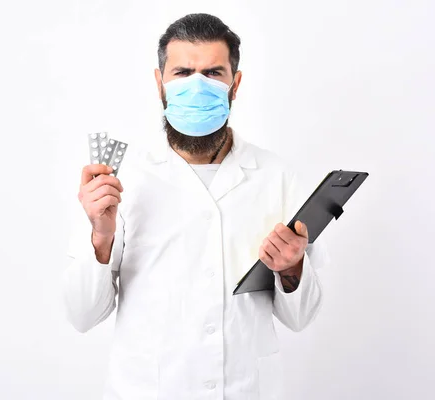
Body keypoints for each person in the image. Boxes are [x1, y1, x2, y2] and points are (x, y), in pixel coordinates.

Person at [63, 13, 330, 400]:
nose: (197, 85)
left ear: (234, 85)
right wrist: (101, 236)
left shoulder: (274, 175)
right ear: (160, 84)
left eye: (213, 73)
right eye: (183, 72)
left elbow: (301, 317)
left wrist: (292, 270)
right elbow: (82, 315)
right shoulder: (118, 180)